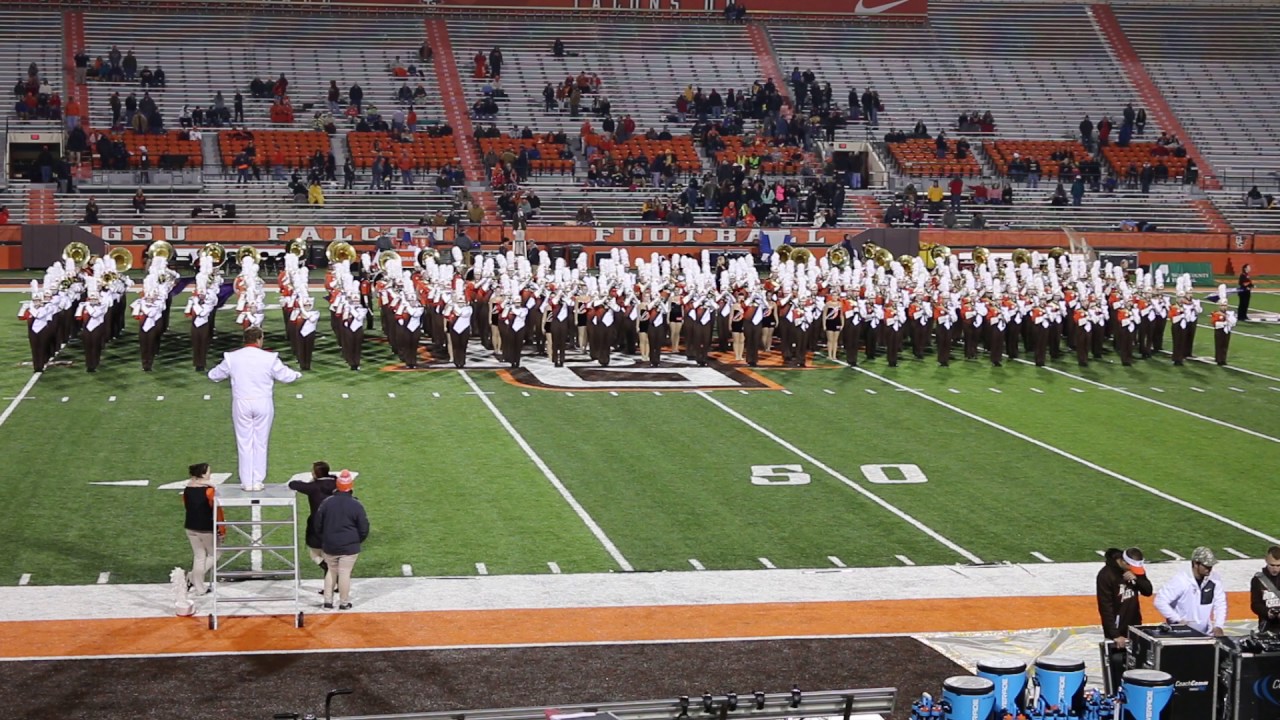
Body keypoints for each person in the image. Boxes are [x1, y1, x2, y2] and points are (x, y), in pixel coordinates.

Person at [207, 327, 302, 491]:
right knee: (260, 442)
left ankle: (246, 482)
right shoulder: (269, 358)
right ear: (259, 339)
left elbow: (214, 375)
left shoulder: (232, 358)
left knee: (244, 442)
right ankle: (257, 481)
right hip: (263, 402)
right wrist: (296, 374)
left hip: (241, 402)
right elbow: (286, 376)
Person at [1097, 547, 1152, 690]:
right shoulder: (1106, 575)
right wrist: (1115, 635)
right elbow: (1105, 608)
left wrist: (1136, 579)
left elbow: (1148, 590)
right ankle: (1116, 694)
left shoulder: (1135, 571)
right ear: (1123, 561)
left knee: (1136, 666)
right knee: (1117, 665)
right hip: (1117, 631)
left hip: (1135, 626)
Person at [314, 470, 368, 610]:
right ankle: (344, 603)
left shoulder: (327, 503)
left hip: (330, 545)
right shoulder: (356, 505)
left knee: (331, 571)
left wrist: (325, 539)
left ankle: (327, 601)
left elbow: (318, 524)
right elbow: (363, 528)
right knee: (344, 573)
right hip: (349, 546)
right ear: (351, 486)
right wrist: (356, 540)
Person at [1154, 546, 1227, 636]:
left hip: (1205, 634)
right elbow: (1160, 601)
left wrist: (1218, 626)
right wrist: (1177, 619)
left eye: (1211, 565)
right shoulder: (1181, 580)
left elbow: (1220, 603)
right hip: (1181, 635)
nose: (1209, 568)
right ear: (1196, 564)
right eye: (1206, 565)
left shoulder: (1214, 579)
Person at [288, 461, 339, 576]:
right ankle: (333, 578)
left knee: (314, 553)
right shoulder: (336, 484)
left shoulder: (313, 487)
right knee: (332, 554)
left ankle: (327, 568)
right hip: (335, 524)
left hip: (317, 526)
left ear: (315, 474)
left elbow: (293, 484)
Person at [181, 462, 222, 595]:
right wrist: (222, 529)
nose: (210, 474)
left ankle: (199, 588)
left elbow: (187, 506)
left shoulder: (187, 489)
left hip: (190, 526)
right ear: (203, 474)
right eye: (209, 471)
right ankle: (193, 578)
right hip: (206, 528)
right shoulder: (209, 491)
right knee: (215, 554)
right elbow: (217, 511)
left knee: (199, 556)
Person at [1251, 547, 1280, 634]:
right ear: (1266, 560)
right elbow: (1255, 604)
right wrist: (1267, 612)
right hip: (1267, 627)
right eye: (1272, 565)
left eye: (1278, 565)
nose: (1275, 569)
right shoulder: (1258, 580)